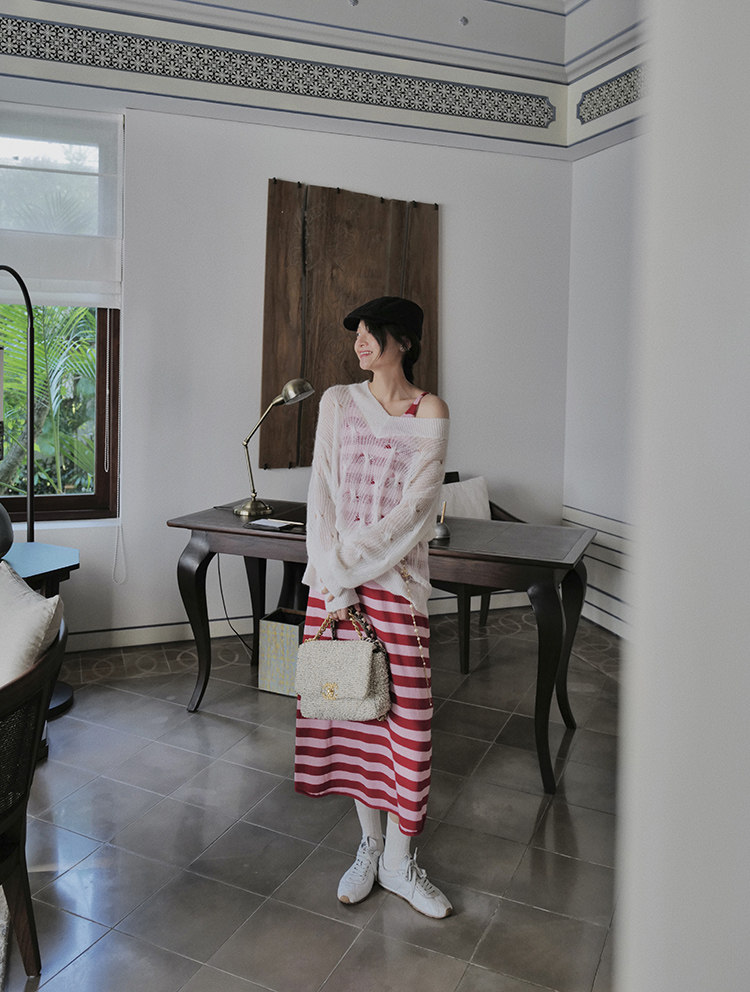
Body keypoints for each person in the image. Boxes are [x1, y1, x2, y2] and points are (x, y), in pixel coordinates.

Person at [294, 296, 452, 918]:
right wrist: (334, 581)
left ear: (403, 341)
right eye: (356, 330)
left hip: (398, 590)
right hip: (337, 595)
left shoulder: (429, 410)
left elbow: (415, 511)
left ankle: (399, 863)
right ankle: (371, 847)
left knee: (407, 725)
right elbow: (321, 496)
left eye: (371, 331)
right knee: (355, 720)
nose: (359, 340)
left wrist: (344, 564)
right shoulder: (337, 402)